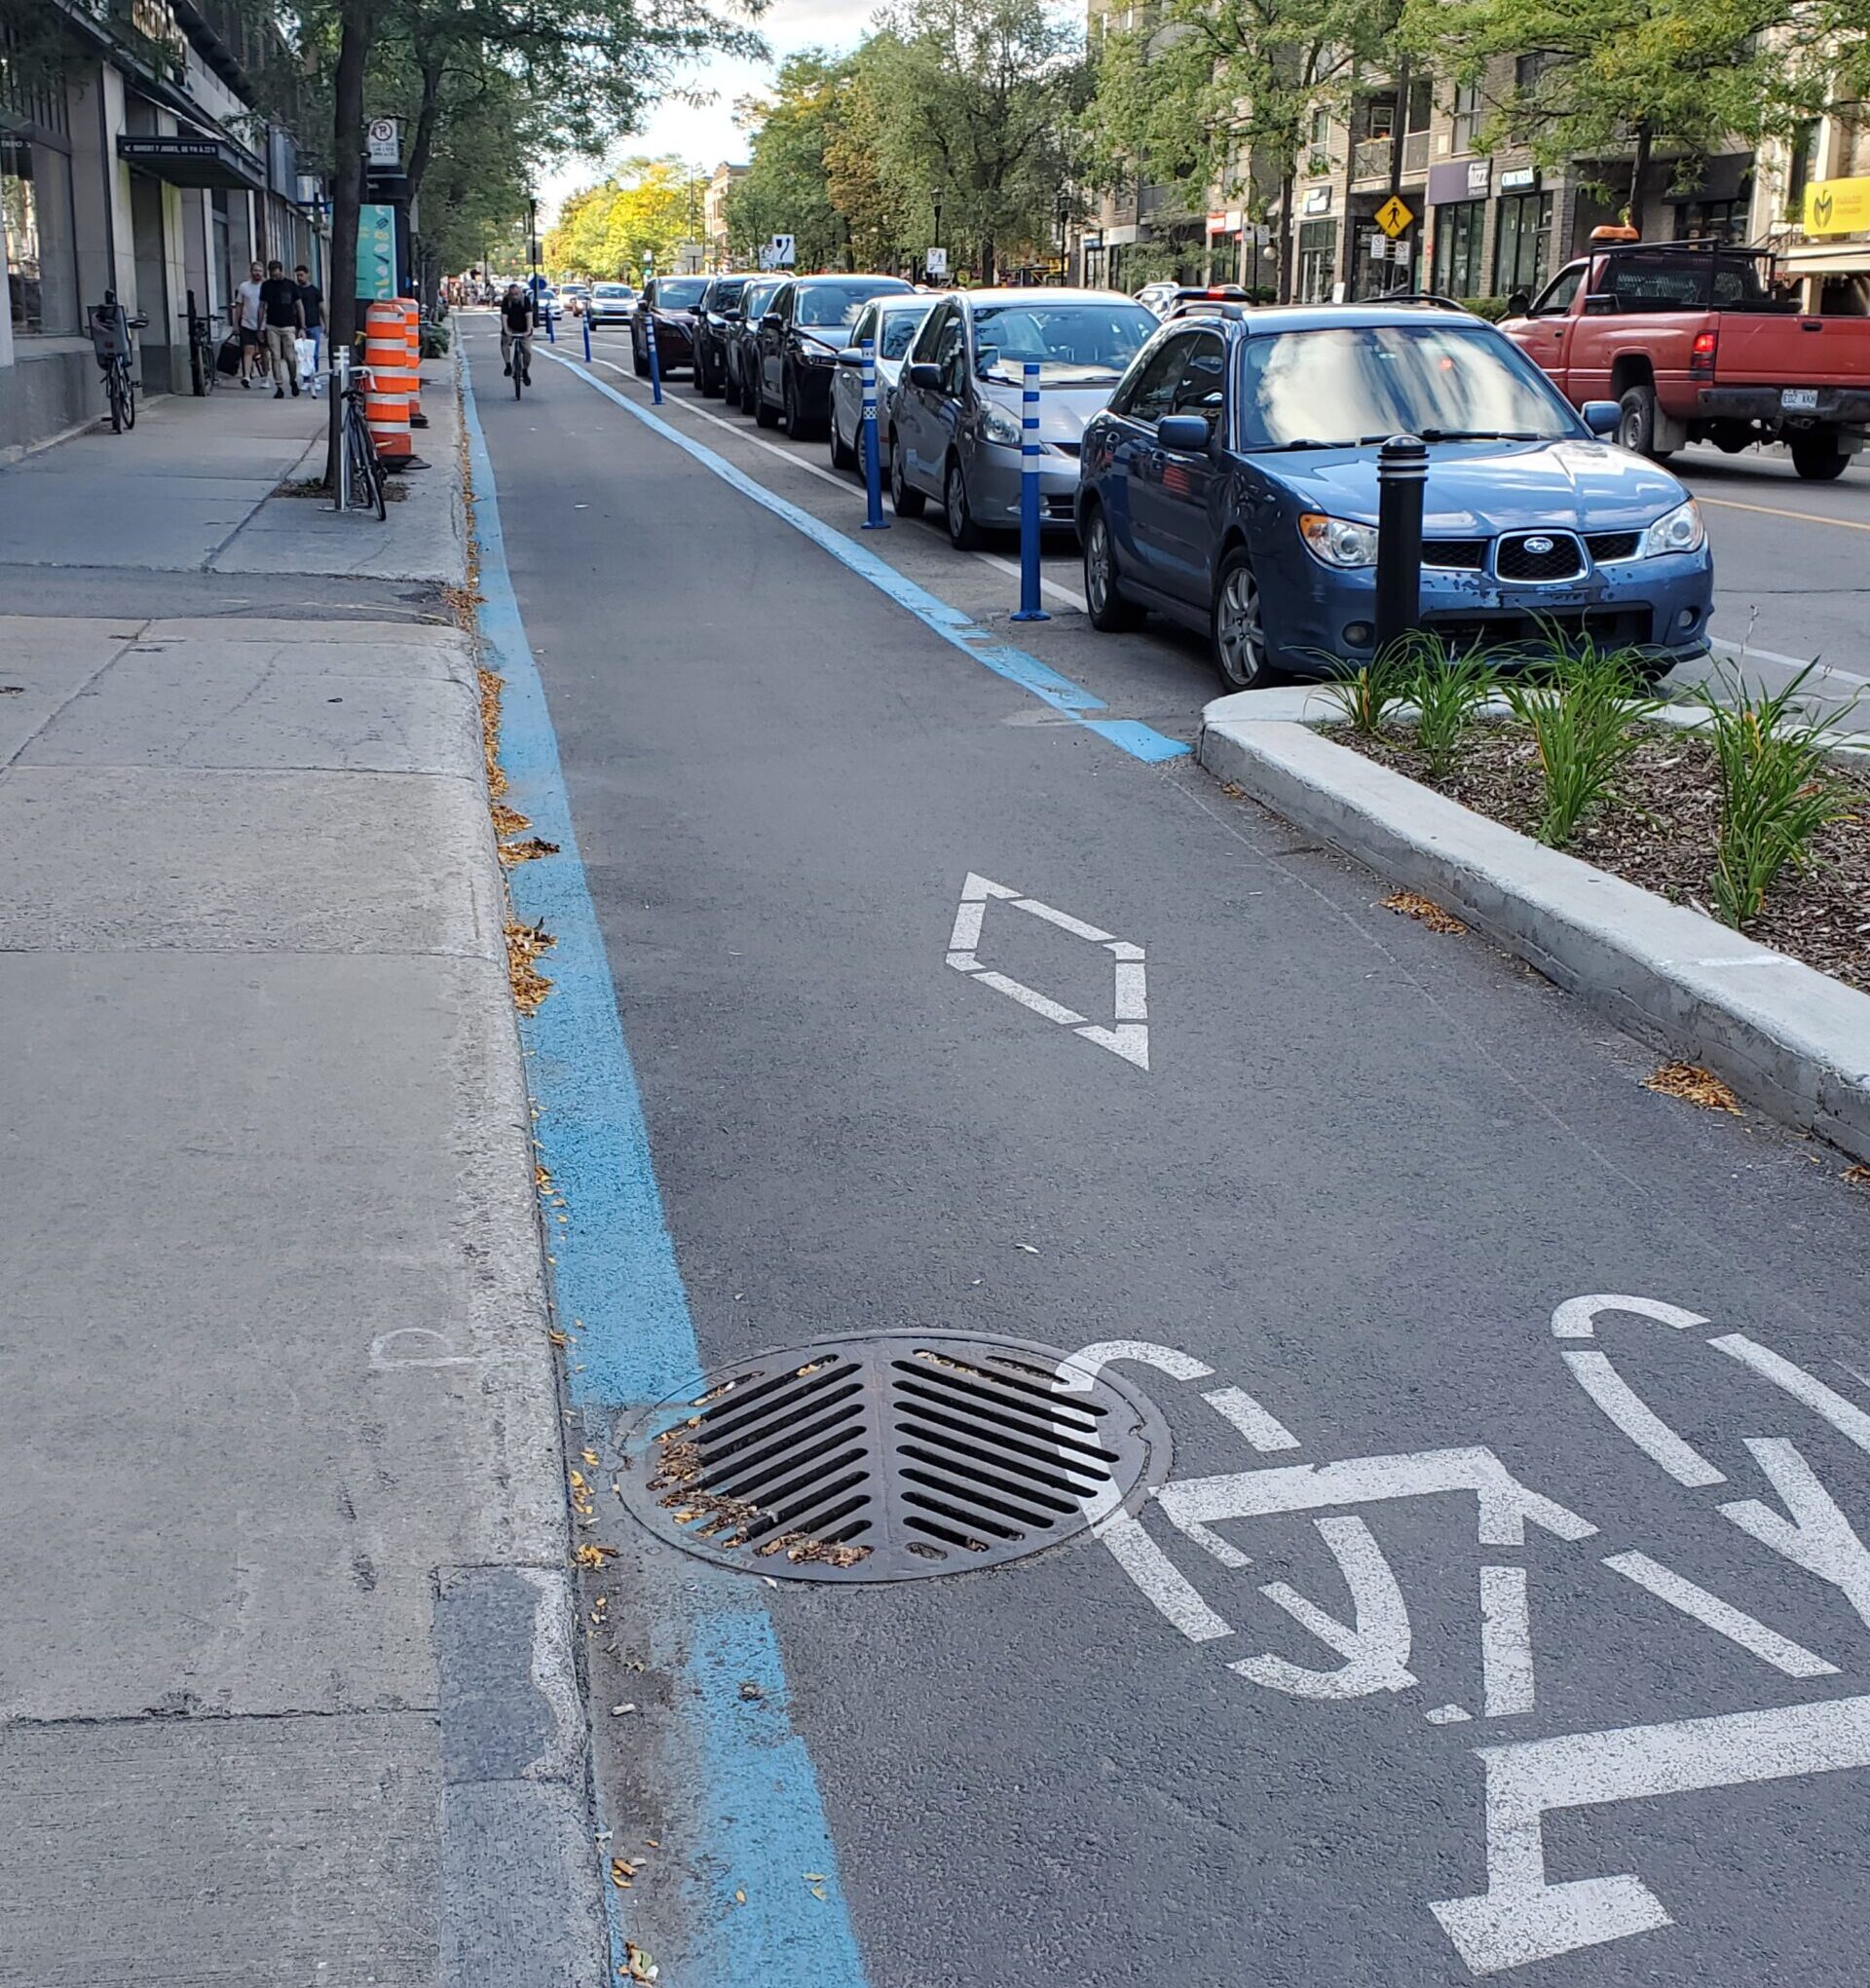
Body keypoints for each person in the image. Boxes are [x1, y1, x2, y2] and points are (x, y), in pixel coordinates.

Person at [258, 260, 303, 398]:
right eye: (272, 275)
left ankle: (293, 380)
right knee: (275, 357)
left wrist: (302, 326)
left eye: (276, 274)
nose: (274, 277)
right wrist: (260, 327)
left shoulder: (291, 286)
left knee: (290, 357)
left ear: (281, 271)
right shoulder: (266, 286)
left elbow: (299, 305)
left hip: (288, 325)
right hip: (272, 325)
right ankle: (279, 386)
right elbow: (262, 306)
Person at [234, 259, 265, 388]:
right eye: (255, 270)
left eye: (259, 271)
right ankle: (246, 375)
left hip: (263, 324)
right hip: (247, 322)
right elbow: (239, 306)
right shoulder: (244, 287)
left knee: (264, 352)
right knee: (248, 349)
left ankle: (265, 376)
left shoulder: (266, 286)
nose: (257, 273)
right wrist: (236, 323)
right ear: (251, 272)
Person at [294, 263, 323, 392]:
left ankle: (315, 376)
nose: (299, 278)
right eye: (297, 275)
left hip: (314, 325)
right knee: (303, 354)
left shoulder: (315, 291)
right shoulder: (296, 291)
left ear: (307, 274)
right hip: (300, 327)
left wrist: (325, 324)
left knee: (315, 354)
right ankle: (306, 379)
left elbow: (322, 308)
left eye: (301, 275)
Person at [500, 281, 536, 380]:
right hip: (511, 327)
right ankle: (508, 365)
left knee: (527, 352)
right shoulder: (506, 300)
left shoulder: (526, 300)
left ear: (520, 292)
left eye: (516, 294)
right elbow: (504, 317)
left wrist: (528, 331)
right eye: (512, 295)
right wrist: (506, 331)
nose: (515, 297)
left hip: (524, 327)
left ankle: (525, 370)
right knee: (504, 343)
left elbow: (529, 316)